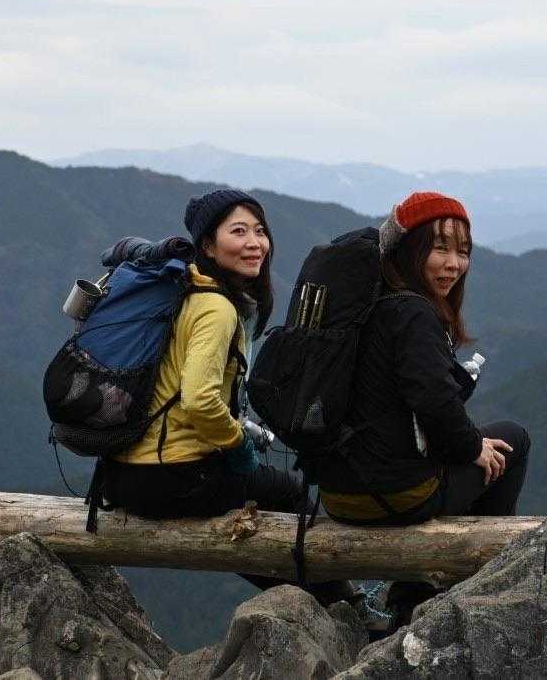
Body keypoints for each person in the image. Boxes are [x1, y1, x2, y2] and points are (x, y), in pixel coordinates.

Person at [100, 187, 355, 605]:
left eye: (260, 230)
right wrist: (237, 444)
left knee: (248, 497)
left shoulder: (181, 289)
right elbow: (199, 399)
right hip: (172, 476)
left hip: (122, 474)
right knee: (288, 493)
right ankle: (340, 604)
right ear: (207, 245)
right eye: (239, 232)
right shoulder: (216, 309)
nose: (255, 243)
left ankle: (308, 596)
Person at [316, 192, 531, 621]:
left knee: (475, 446)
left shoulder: (362, 308)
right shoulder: (413, 313)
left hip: (337, 495)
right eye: (440, 249)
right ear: (410, 250)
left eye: (463, 252)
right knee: (512, 440)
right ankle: (478, 587)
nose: (454, 264)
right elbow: (435, 405)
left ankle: (411, 597)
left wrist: (467, 442)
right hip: (393, 497)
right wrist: (473, 446)